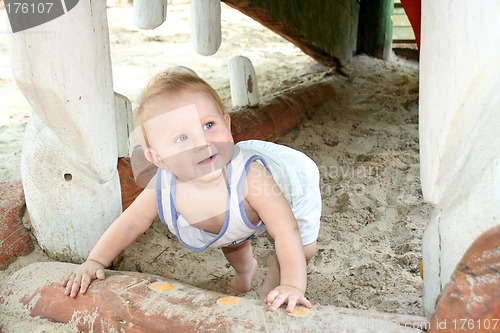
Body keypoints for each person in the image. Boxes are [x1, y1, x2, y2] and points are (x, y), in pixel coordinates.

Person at [63, 67, 322, 313]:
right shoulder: (163, 186)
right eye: (182, 138)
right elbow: (130, 224)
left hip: (292, 184)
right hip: (235, 220)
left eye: (208, 125)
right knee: (232, 240)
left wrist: (292, 285)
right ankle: (246, 272)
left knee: (300, 249)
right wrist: (95, 261)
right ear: (159, 159)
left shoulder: (252, 177)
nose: (202, 142)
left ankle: (274, 290)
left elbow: (285, 230)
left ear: (227, 124)